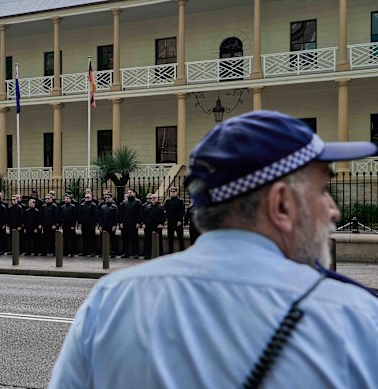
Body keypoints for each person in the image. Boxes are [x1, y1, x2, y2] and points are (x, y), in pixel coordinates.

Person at [50, 110, 378, 388]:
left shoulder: (110, 302)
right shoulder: (355, 319)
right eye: (322, 190)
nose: (333, 210)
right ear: (281, 204)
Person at [119, 188, 142, 259]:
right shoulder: (124, 202)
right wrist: (121, 222)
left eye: (130, 192)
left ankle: (135, 253)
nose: (129, 194)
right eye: (128, 193)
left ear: (134, 193)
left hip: (134, 224)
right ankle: (126, 252)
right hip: (125, 224)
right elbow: (121, 213)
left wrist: (138, 222)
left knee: (134, 239)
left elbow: (140, 213)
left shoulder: (138, 202)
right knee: (125, 239)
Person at [141, 193, 165, 259]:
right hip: (148, 226)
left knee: (159, 241)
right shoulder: (147, 207)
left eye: (154, 198)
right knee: (147, 241)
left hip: (157, 226)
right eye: (151, 198)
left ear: (157, 199)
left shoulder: (161, 207)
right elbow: (143, 216)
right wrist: (143, 223)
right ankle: (147, 254)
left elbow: (164, 217)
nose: (153, 199)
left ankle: (160, 253)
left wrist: (161, 224)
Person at [164, 186, 185, 253]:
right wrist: (166, 219)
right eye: (171, 191)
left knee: (180, 237)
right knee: (170, 238)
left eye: (174, 191)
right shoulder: (167, 201)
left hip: (178, 222)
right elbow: (165, 211)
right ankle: (170, 252)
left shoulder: (180, 201)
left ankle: (182, 251)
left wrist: (180, 220)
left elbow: (182, 211)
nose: (172, 193)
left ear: (177, 192)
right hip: (170, 221)